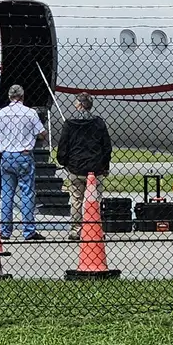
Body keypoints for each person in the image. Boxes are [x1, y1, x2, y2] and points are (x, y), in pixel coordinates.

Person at [0, 84, 47, 241]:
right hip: (23, 155)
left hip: (7, 155)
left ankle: (5, 230)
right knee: (27, 193)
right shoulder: (30, 113)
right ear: (22, 96)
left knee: (7, 194)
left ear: (9, 97)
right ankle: (28, 230)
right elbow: (42, 134)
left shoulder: (1, 113)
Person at [56, 92, 113, 241]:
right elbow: (106, 146)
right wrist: (105, 164)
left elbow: (63, 145)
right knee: (95, 200)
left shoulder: (70, 123)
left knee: (76, 199)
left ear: (79, 105)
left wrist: (64, 161)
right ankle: (95, 228)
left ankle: (76, 229)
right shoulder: (98, 122)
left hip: (76, 166)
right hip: (95, 167)